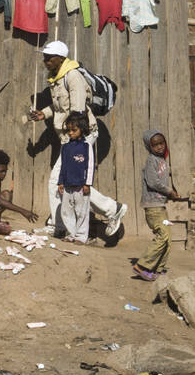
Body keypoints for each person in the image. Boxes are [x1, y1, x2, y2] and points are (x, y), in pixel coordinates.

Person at [29, 41, 127, 241]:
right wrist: (44, 114)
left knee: (59, 181)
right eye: (44, 57)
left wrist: (75, 143)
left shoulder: (73, 77)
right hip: (70, 137)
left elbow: (78, 111)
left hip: (81, 136)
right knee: (70, 181)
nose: (45, 61)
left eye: (49, 57)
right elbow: (60, 106)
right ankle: (109, 209)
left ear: (61, 58)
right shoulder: (57, 78)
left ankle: (60, 225)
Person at [133, 128, 185, 281]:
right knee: (163, 235)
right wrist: (169, 191)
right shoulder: (151, 160)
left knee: (168, 238)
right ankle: (142, 266)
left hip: (160, 205)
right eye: (155, 145)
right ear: (150, 147)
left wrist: (171, 193)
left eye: (162, 143)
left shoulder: (161, 160)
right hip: (153, 206)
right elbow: (153, 182)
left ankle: (158, 268)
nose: (160, 147)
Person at [0, 149, 39, 234]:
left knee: (6, 194)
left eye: (5, 171)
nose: (4, 174)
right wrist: (23, 211)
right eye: (1, 171)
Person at [57, 112, 95, 245]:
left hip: (81, 185)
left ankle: (80, 236)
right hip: (67, 184)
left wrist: (87, 183)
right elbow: (63, 165)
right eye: (69, 130)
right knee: (66, 211)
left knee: (81, 211)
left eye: (74, 130)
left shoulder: (86, 146)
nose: (70, 133)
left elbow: (90, 166)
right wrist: (60, 181)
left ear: (82, 129)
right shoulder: (66, 147)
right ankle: (70, 234)